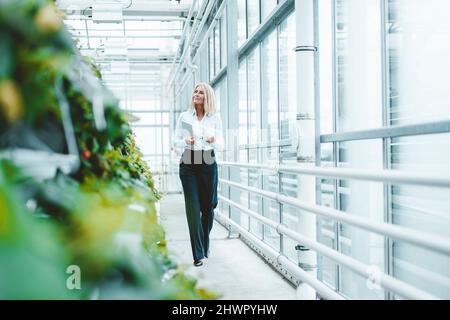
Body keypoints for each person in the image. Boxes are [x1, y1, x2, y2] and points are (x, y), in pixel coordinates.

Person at [173, 83, 224, 267]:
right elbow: (175, 141)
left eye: (201, 92)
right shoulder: (184, 117)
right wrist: (184, 140)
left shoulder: (215, 118)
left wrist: (214, 139)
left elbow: (222, 144)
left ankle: (204, 242)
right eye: (195, 91)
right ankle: (198, 254)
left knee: (209, 207)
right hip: (189, 161)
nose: (196, 94)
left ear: (207, 97)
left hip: (208, 161)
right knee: (193, 209)